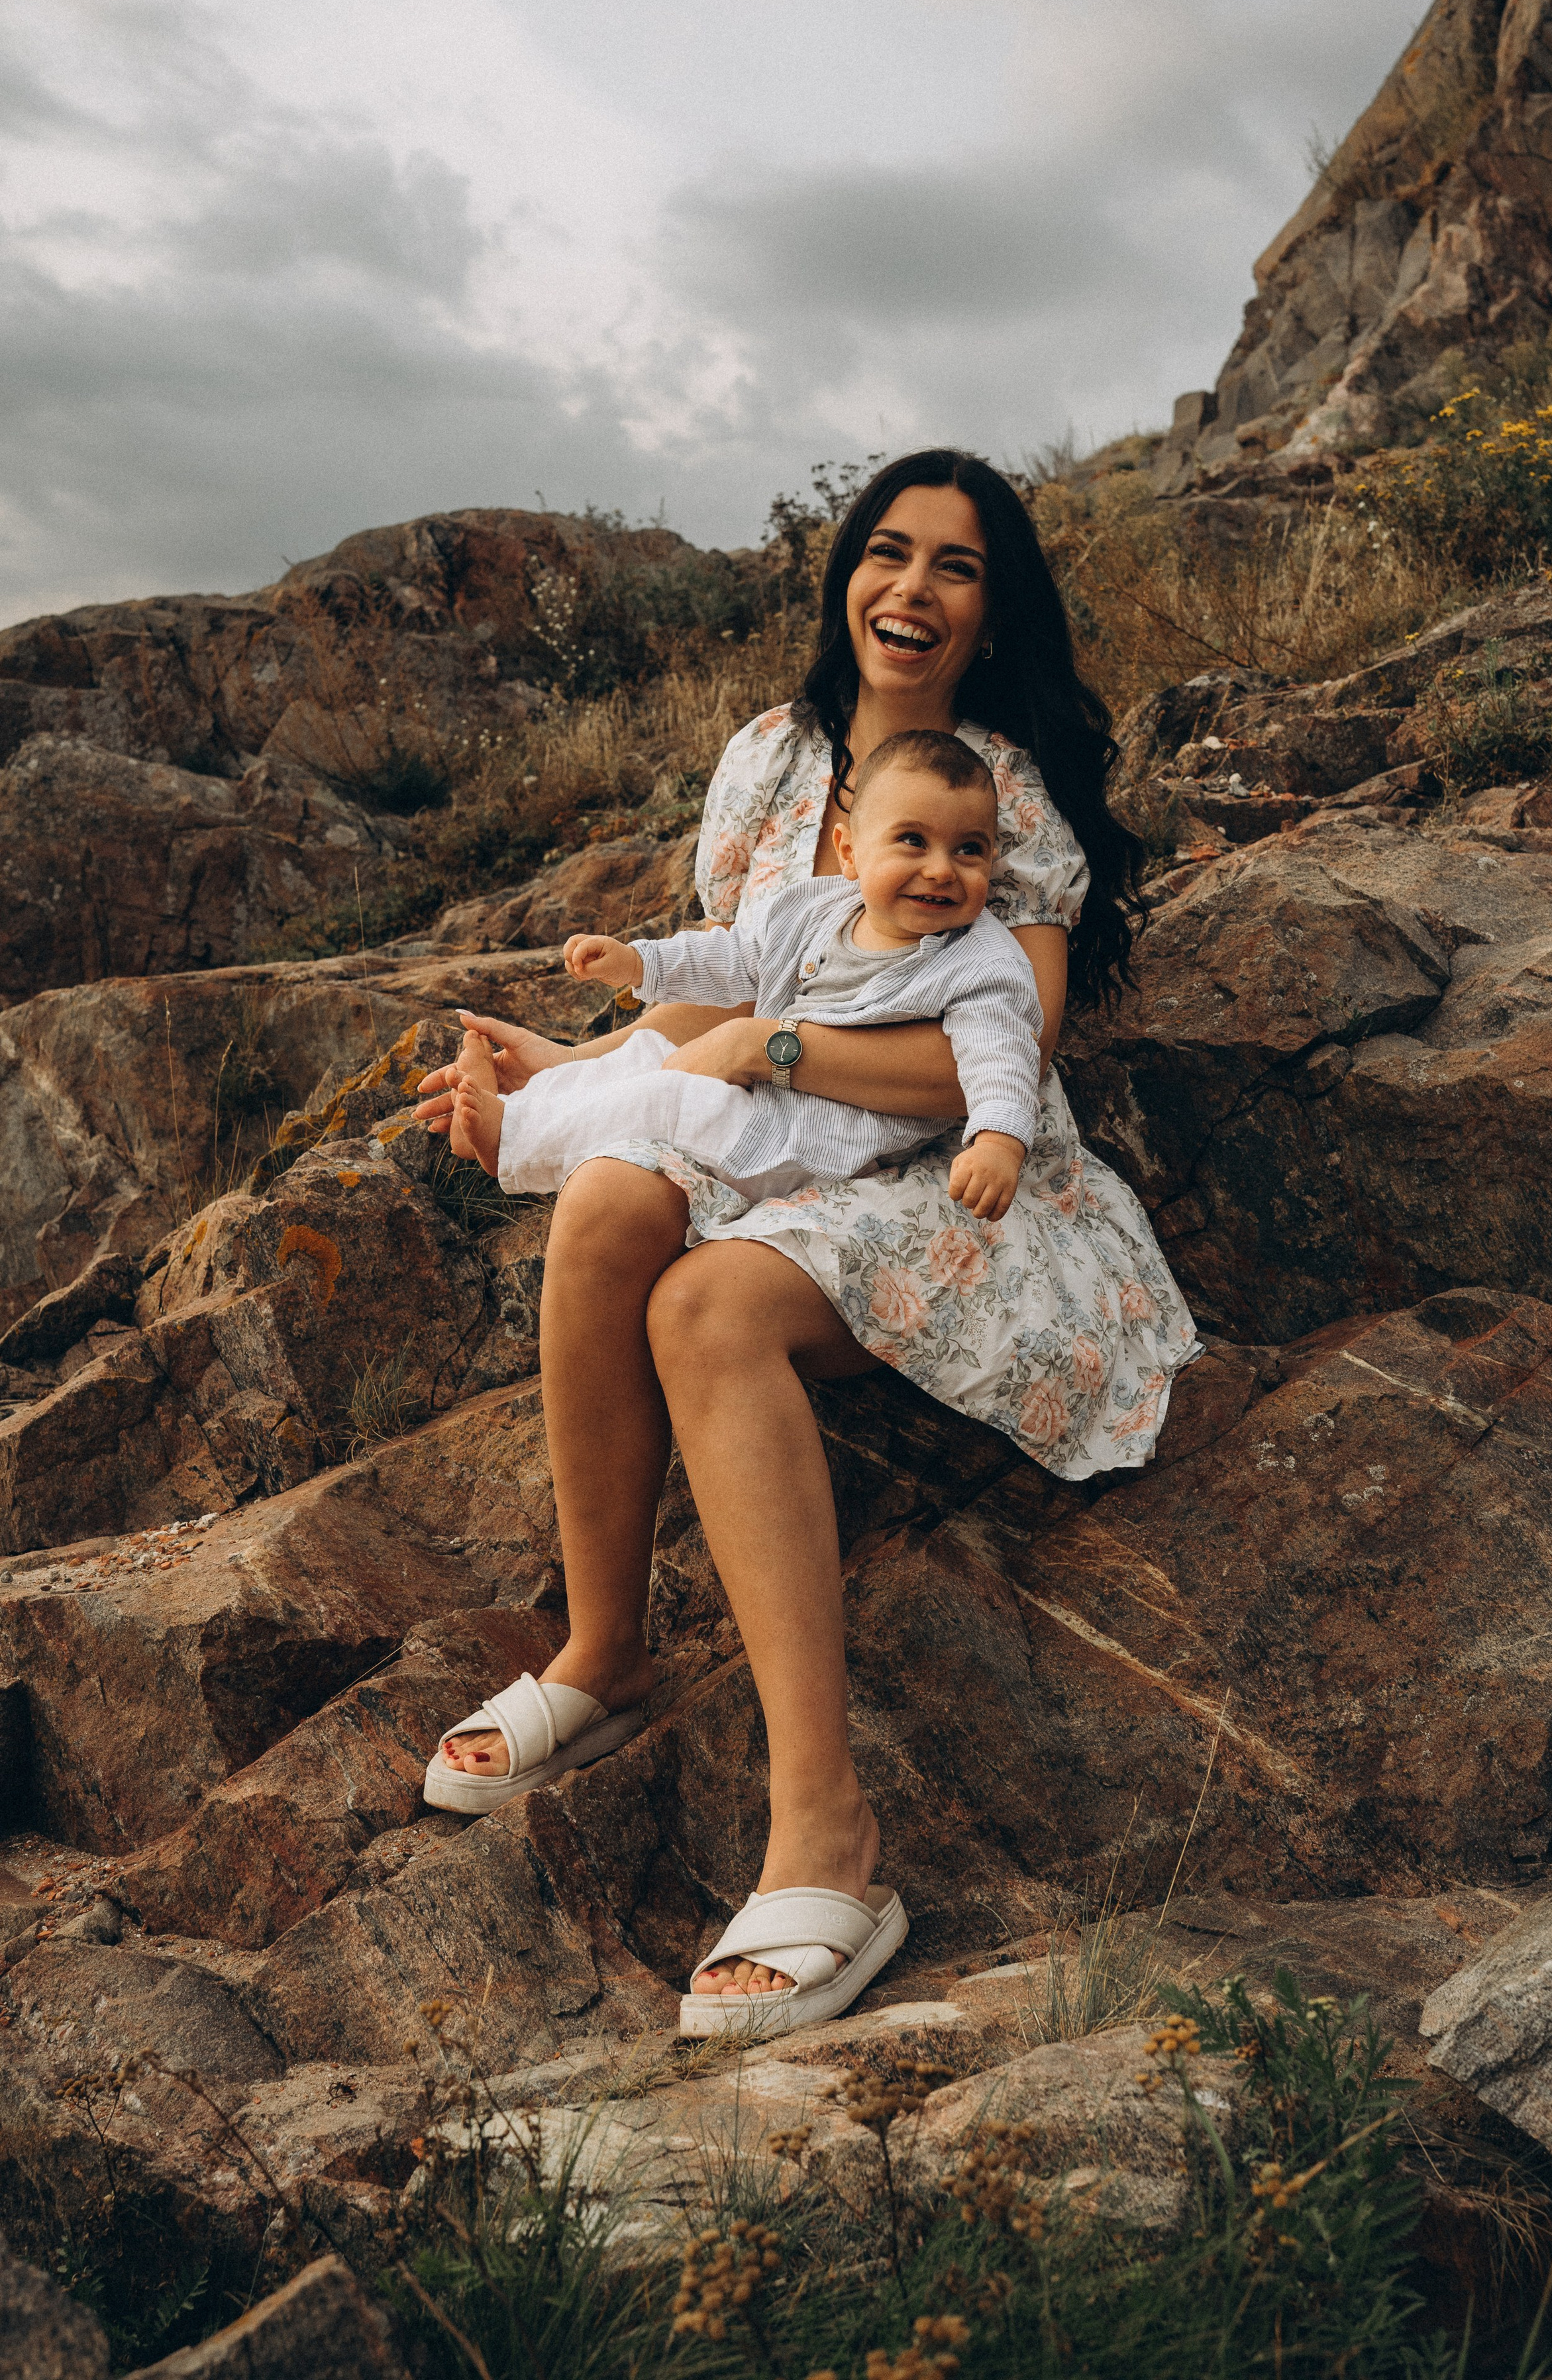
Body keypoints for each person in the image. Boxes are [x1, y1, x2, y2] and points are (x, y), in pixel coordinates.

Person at [412, 448, 1200, 2036]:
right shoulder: (768, 760)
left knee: (703, 1305)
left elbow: (988, 1062)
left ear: (995, 609)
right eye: (886, 551)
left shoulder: (1002, 785)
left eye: (956, 566)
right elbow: (710, 993)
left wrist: (765, 1057)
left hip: (951, 1168)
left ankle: (826, 1829)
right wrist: (563, 1065)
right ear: (842, 571)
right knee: (609, 1191)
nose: (911, 588)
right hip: (772, 1140)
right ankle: (603, 1646)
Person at [433, 730, 1041, 1223]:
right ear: (850, 852)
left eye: (970, 849)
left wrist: (997, 1142)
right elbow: (733, 960)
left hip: (815, 1147)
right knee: (649, 1050)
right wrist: (639, 963)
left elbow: (1002, 1057)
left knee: (667, 1098)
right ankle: (526, 1099)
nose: (941, 870)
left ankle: (509, 1139)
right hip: (762, 1101)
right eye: (913, 841)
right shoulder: (815, 908)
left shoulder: (981, 961)